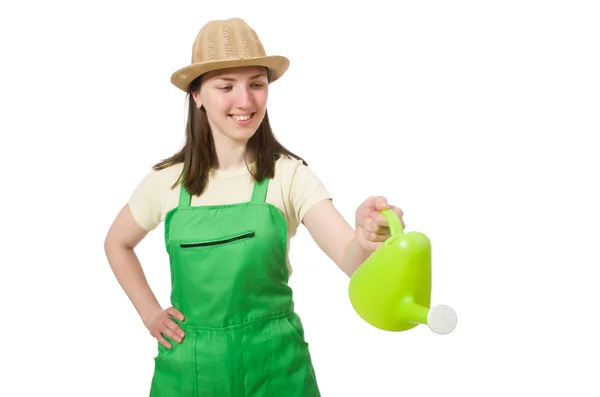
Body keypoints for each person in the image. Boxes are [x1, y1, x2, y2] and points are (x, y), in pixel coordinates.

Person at [104, 17, 404, 397]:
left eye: (256, 85)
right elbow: (117, 243)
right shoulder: (166, 182)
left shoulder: (290, 176)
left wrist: (366, 235)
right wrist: (149, 312)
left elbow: (352, 259)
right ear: (197, 95)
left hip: (276, 369)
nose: (245, 101)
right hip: (190, 370)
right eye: (226, 86)